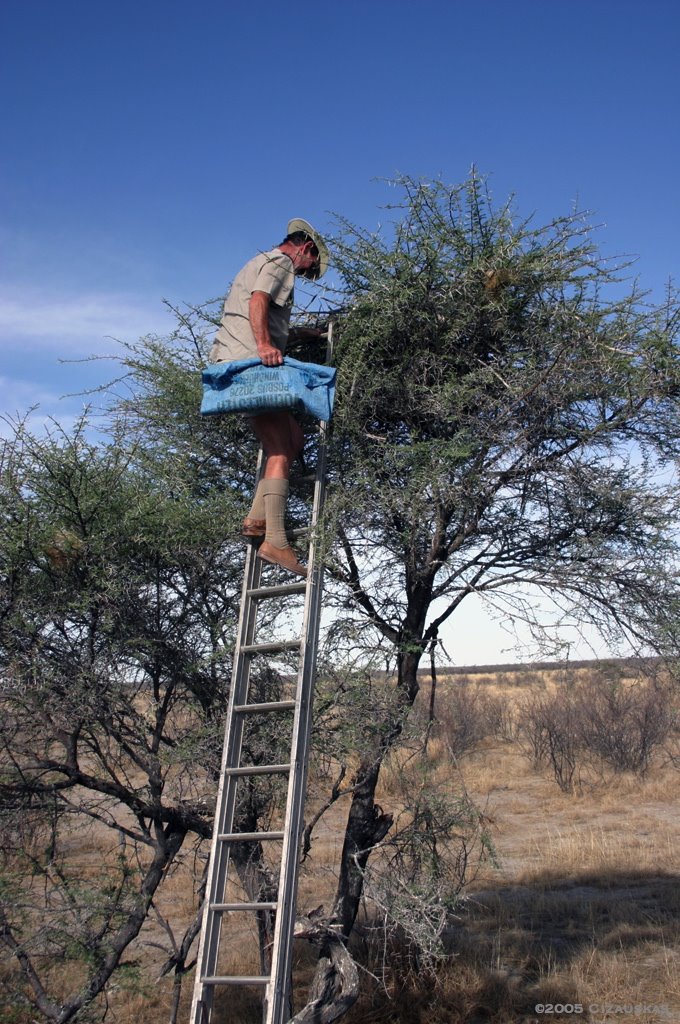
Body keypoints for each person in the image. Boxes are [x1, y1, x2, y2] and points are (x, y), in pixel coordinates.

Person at [208, 219, 329, 577]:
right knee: (279, 447)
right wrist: (264, 345)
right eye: (311, 266)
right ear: (306, 248)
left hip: (239, 364)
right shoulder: (280, 263)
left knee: (293, 438)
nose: (307, 274)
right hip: (251, 365)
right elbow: (259, 300)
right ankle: (276, 541)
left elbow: (264, 310)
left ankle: (256, 518)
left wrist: (303, 333)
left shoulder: (260, 261)